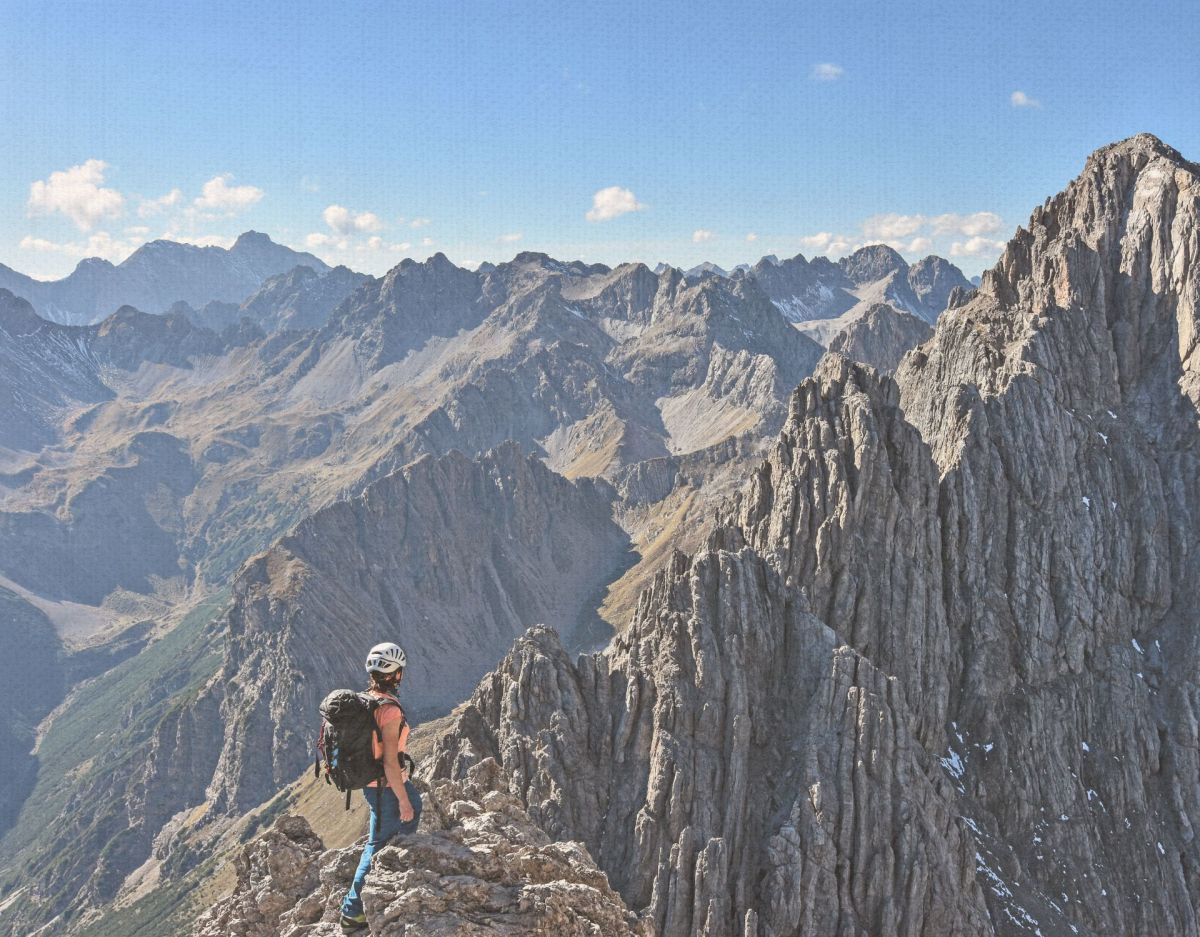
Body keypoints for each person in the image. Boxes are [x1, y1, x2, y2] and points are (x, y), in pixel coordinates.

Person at [339, 642, 422, 933]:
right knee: (377, 846)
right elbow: (390, 762)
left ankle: (360, 902)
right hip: (387, 787)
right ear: (395, 674)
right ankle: (353, 911)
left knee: (376, 840)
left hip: (370, 785)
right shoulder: (389, 711)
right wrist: (405, 801)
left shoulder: (365, 701)